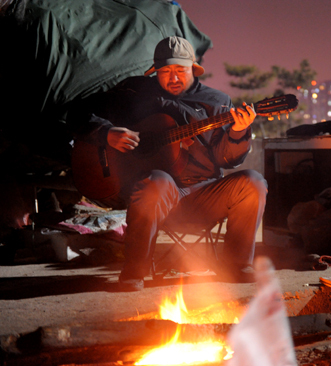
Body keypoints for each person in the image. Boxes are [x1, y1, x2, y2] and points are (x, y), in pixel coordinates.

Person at [69, 36, 267, 291]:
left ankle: (238, 265)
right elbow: (78, 113)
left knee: (253, 182)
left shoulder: (217, 102)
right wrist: (106, 133)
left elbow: (226, 159)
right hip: (157, 196)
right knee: (156, 182)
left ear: (193, 69)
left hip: (204, 195)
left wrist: (238, 132)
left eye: (180, 70)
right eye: (165, 71)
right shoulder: (134, 92)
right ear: (155, 71)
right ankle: (135, 271)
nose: (173, 78)